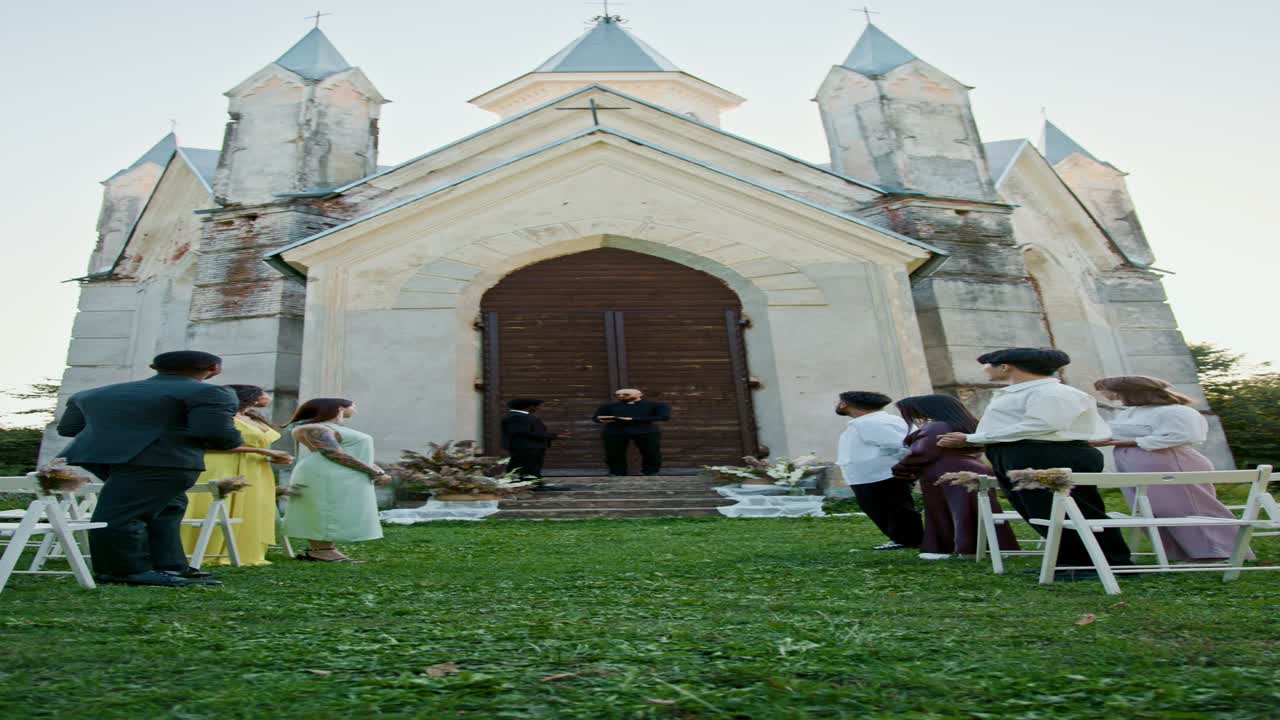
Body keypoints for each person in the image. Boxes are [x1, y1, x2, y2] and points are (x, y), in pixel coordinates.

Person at [55, 350, 243, 587]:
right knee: (123, 514)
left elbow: (69, 429)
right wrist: (234, 442)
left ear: (155, 367)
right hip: (164, 459)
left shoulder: (92, 394)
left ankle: (169, 565)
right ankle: (124, 571)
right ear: (214, 368)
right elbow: (215, 432)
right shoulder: (210, 392)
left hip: (101, 458)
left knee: (169, 507)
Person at [937, 348, 1132, 575]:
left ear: (1005, 367)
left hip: (1045, 453)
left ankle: (1111, 562)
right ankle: (1071, 560)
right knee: (1039, 511)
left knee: (1071, 509)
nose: (984, 370)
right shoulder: (1022, 392)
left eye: (988, 364)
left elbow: (1040, 425)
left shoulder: (1051, 392)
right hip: (1022, 453)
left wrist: (972, 438)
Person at [1093, 375, 1248, 561]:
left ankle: (1220, 551)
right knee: (1152, 510)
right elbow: (1112, 434)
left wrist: (1124, 442)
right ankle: (1183, 553)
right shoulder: (1129, 413)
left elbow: (1181, 436)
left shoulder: (1175, 411)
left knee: (1187, 507)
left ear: (1128, 391)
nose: (1104, 395)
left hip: (1169, 463)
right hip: (1135, 465)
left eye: (1107, 390)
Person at [892, 394, 1020, 559]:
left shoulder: (937, 426)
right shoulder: (961, 423)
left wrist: (901, 468)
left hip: (948, 471)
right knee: (972, 508)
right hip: (967, 468)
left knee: (959, 511)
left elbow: (922, 451)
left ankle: (966, 549)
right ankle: (992, 547)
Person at [180, 385, 292, 566]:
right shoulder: (221, 416)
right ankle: (206, 549)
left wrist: (269, 456)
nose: (268, 395)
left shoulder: (252, 416)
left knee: (250, 506)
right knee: (215, 505)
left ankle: (242, 550)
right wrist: (262, 451)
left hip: (254, 468)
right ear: (249, 396)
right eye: (262, 392)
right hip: (222, 465)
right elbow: (211, 444)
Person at [282, 398, 389, 562]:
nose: (355, 410)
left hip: (341, 472)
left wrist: (377, 470)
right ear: (340, 408)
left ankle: (326, 549)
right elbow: (333, 453)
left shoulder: (330, 427)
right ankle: (321, 551)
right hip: (326, 473)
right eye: (353, 406)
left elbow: (352, 453)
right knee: (324, 509)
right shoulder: (316, 428)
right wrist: (373, 472)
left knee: (335, 509)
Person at [834, 391, 921, 550]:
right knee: (885, 508)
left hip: (881, 475)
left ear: (845, 404)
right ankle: (904, 539)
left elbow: (901, 446)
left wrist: (903, 467)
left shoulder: (871, 423)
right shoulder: (878, 421)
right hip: (873, 475)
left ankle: (909, 539)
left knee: (892, 509)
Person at [592, 389, 671, 476]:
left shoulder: (655, 405)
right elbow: (595, 418)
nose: (621, 396)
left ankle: (650, 472)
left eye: (626, 394)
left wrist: (633, 419)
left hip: (645, 431)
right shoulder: (608, 406)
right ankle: (616, 473)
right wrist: (602, 420)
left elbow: (664, 417)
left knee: (651, 452)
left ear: (640, 394)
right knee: (614, 453)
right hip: (615, 431)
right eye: (618, 395)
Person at [501, 398, 569, 489]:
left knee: (530, 468)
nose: (538, 408)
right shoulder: (517, 417)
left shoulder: (519, 416)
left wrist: (554, 436)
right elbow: (525, 433)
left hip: (529, 447)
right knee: (529, 468)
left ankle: (531, 485)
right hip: (527, 448)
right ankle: (532, 486)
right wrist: (554, 436)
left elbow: (531, 432)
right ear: (530, 407)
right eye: (537, 406)